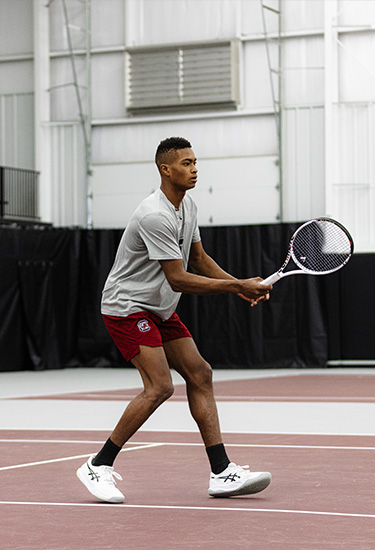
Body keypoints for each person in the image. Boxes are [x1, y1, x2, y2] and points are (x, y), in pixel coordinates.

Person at [76, 136, 272, 503]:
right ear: (165, 169)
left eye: (195, 162)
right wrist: (236, 287)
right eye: (186, 163)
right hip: (127, 306)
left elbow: (198, 260)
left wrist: (241, 284)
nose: (194, 169)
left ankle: (221, 472)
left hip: (159, 307)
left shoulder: (189, 206)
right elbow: (178, 277)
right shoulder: (154, 215)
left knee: (200, 374)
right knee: (160, 386)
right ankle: (97, 465)